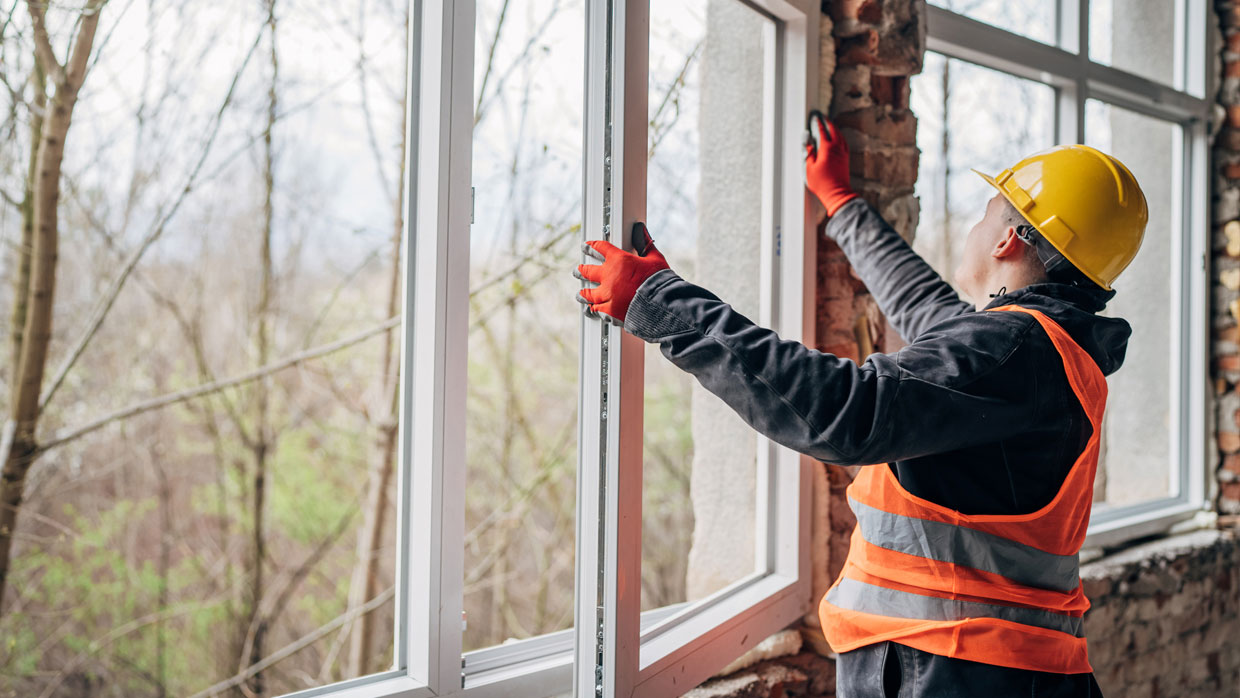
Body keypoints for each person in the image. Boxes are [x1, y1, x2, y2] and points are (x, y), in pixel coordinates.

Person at [573, 114, 1148, 697]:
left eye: (985, 214)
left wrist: (663, 303)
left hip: (954, 666)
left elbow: (847, 411)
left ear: (1007, 239)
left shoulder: (1011, 350)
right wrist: (842, 203)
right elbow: (926, 308)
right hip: (1005, 668)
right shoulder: (1052, 352)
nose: (976, 227)